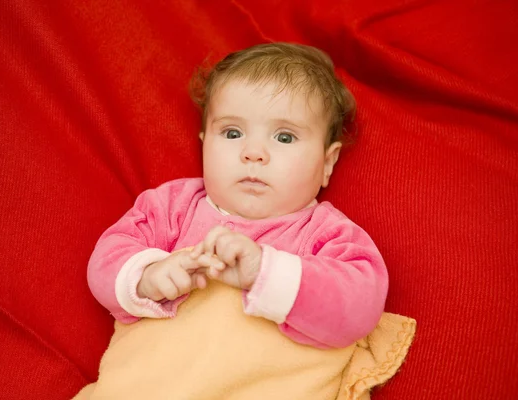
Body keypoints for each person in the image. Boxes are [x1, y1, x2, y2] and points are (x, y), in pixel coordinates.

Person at [87, 42, 388, 349]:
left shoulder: (326, 234)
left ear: (327, 163)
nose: (253, 153)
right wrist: (147, 277)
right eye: (232, 133)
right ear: (204, 144)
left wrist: (264, 272)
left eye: (284, 137)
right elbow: (105, 260)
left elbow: (361, 308)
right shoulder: (172, 207)